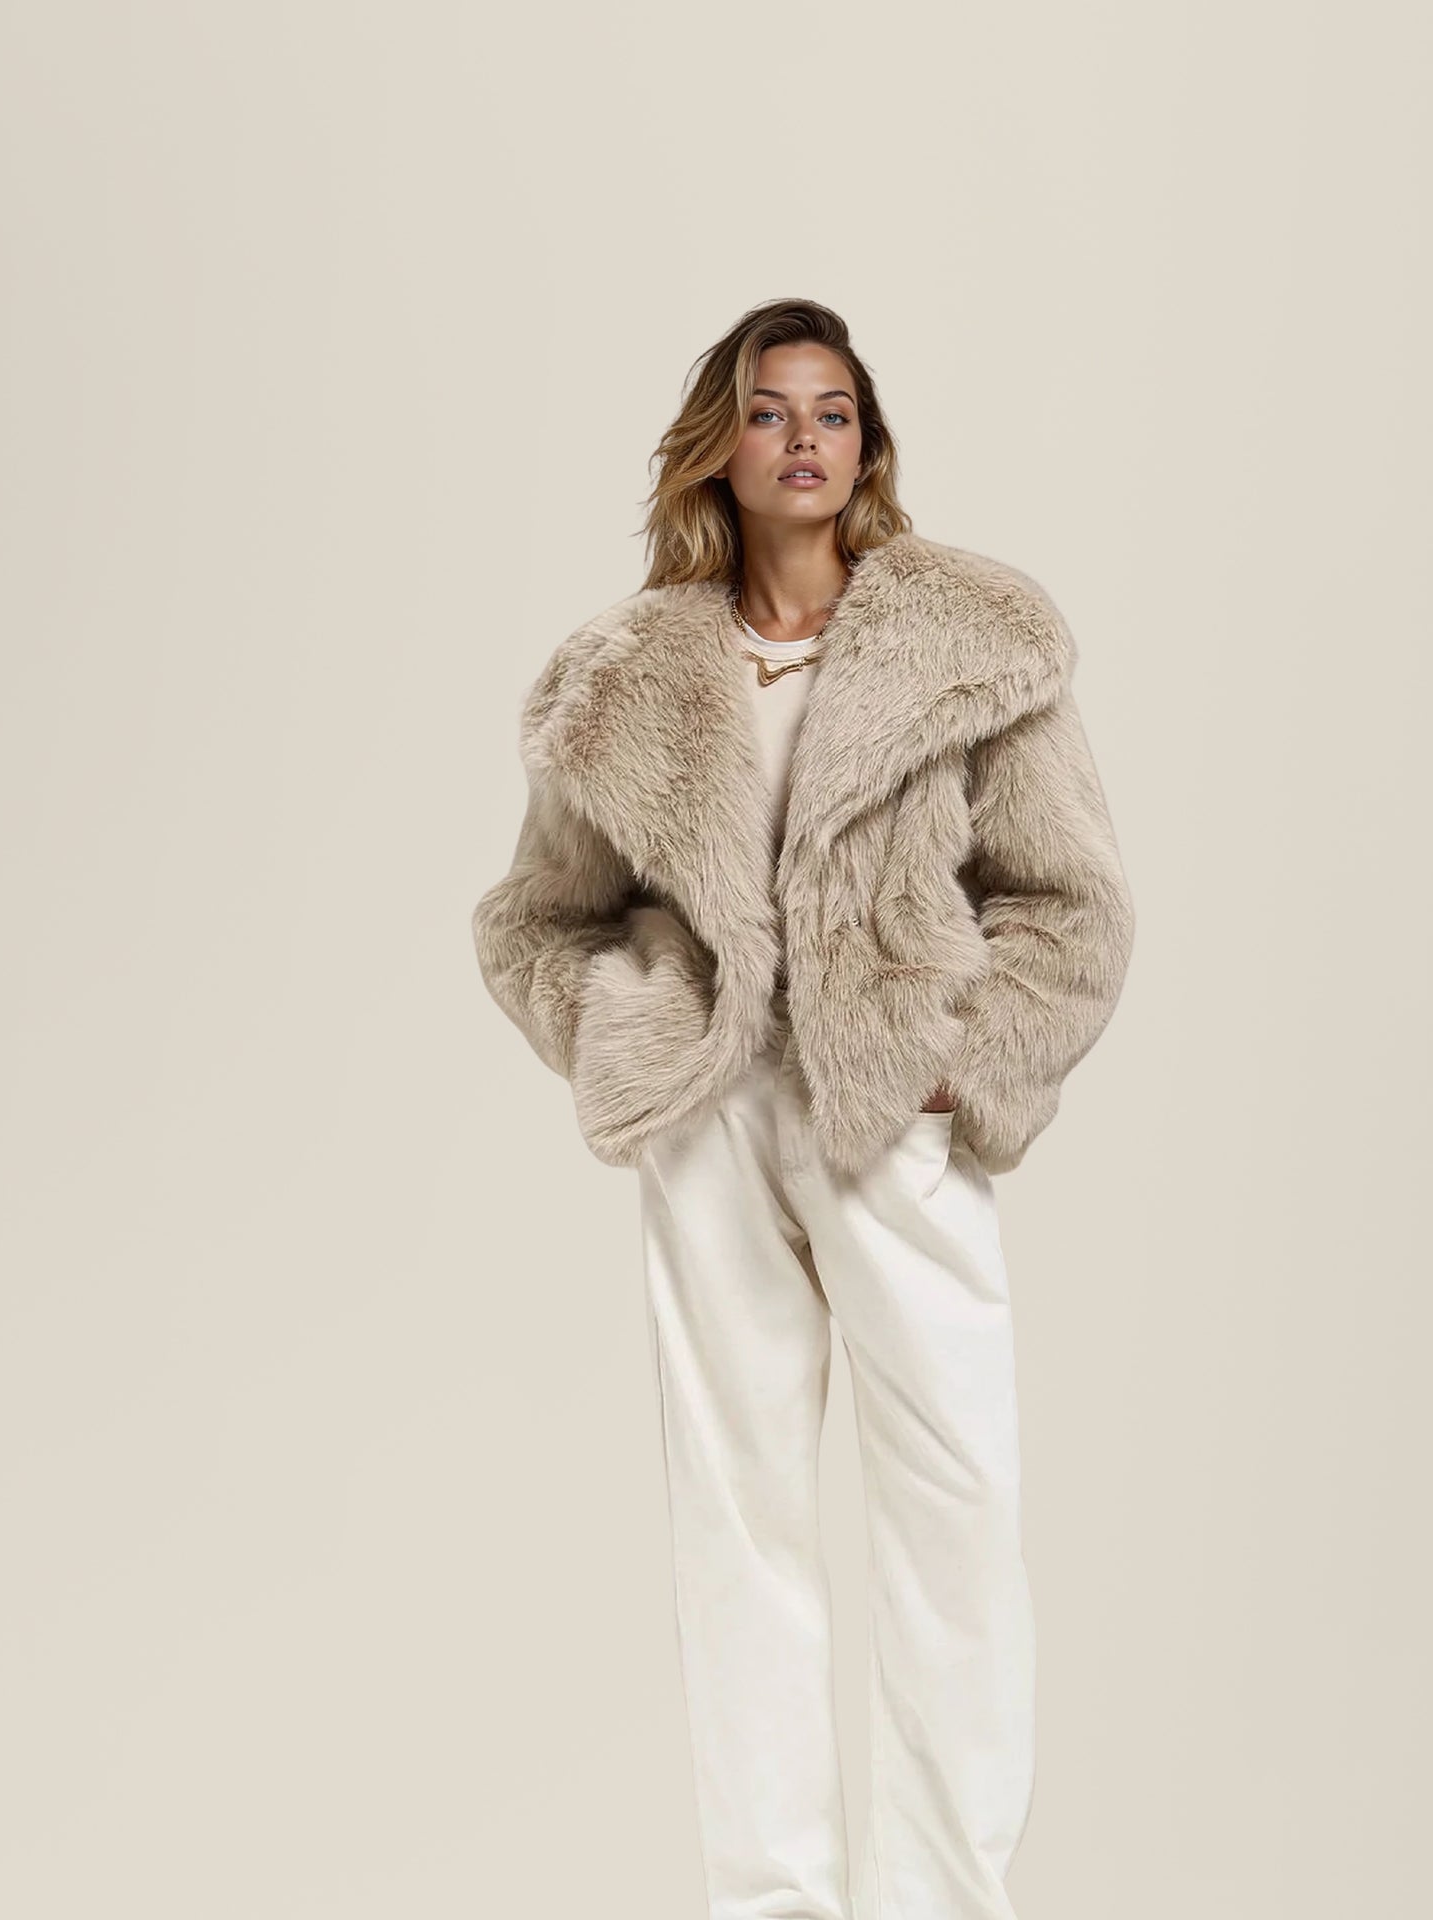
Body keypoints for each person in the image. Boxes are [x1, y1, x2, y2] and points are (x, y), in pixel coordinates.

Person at [469, 297, 1134, 1920]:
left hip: (890, 1120)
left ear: (868, 442)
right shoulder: (628, 674)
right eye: (771, 412)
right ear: (723, 444)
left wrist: (960, 1060)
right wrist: (625, 1031)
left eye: (833, 412)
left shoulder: (968, 641)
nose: (804, 440)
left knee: (957, 1518)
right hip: (712, 1128)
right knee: (739, 1529)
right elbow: (533, 921)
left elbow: (1073, 907)